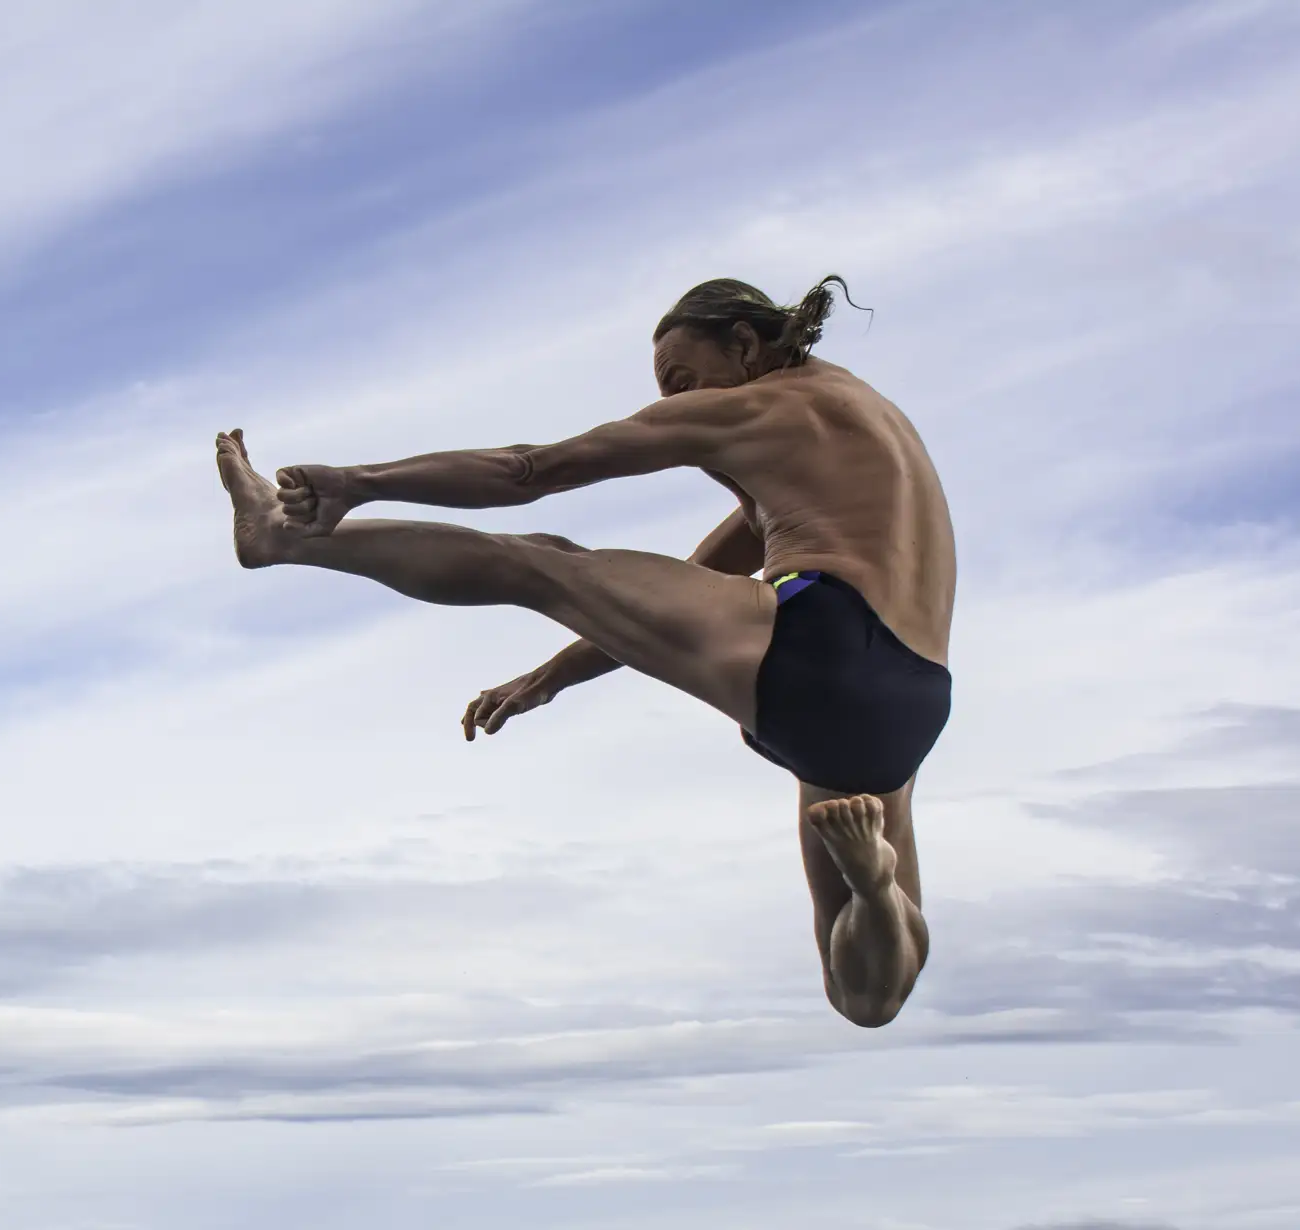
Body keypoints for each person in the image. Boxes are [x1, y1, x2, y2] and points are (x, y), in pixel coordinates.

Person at [213, 276, 956, 1027]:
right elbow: (690, 590)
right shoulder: (864, 427)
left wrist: (357, 482)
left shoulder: (760, 407)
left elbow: (530, 470)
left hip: (823, 642)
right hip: (908, 705)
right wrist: (551, 677)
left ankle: (276, 537)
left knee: (534, 559)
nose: (673, 406)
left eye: (681, 381)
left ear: (744, 343)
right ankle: (874, 889)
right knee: (864, 994)